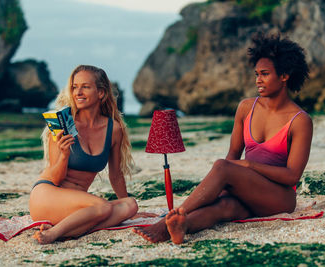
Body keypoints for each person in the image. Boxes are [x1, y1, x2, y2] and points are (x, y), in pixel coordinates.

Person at [133, 33, 313, 244]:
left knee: (221, 167)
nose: (258, 80)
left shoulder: (300, 120)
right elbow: (232, 156)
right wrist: (223, 186)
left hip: (279, 197)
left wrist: (248, 165)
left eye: (264, 74)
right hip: (248, 189)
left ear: (285, 75)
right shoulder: (246, 108)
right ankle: (181, 225)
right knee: (225, 207)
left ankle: (165, 220)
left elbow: (292, 176)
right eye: (256, 74)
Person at [30, 65, 143, 244]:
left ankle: (72, 229)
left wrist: (125, 206)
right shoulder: (63, 125)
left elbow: (115, 175)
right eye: (74, 87)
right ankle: (55, 233)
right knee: (102, 207)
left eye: (85, 87)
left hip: (80, 207)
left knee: (131, 205)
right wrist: (65, 154)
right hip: (48, 196)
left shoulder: (113, 129)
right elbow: (55, 178)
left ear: (101, 93)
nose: (78, 92)